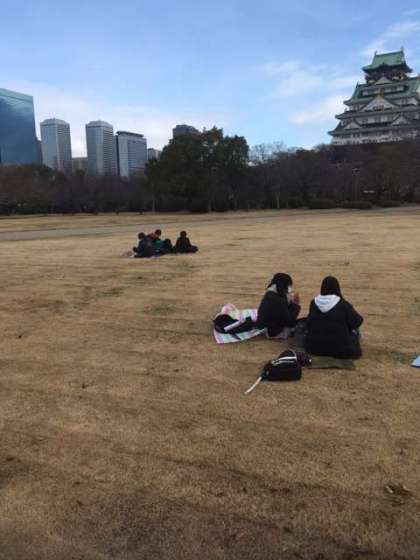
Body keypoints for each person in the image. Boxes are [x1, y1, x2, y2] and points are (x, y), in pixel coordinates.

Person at [305, 276, 363, 359]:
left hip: (315, 348)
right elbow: (357, 321)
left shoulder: (313, 303)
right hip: (341, 350)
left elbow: (309, 323)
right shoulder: (343, 304)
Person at [257, 273, 301, 339]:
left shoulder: (269, 294)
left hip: (264, 328)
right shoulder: (279, 300)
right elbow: (289, 321)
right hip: (273, 332)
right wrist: (295, 305)